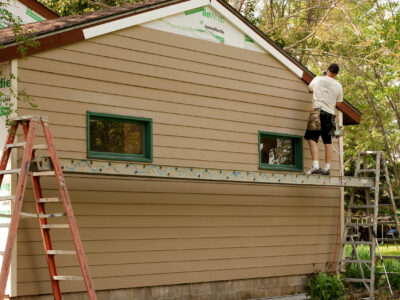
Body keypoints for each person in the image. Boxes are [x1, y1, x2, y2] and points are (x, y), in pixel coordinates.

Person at [304, 63, 343, 175]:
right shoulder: (338, 85)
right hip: (329, 115)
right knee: (328, 141)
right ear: (336, 74)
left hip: (317, 112)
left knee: (311, 138)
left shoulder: (318, 79)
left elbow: (310, 89)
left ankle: (315, 166)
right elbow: (339, 102)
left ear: (327, 70)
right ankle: (326, 168)